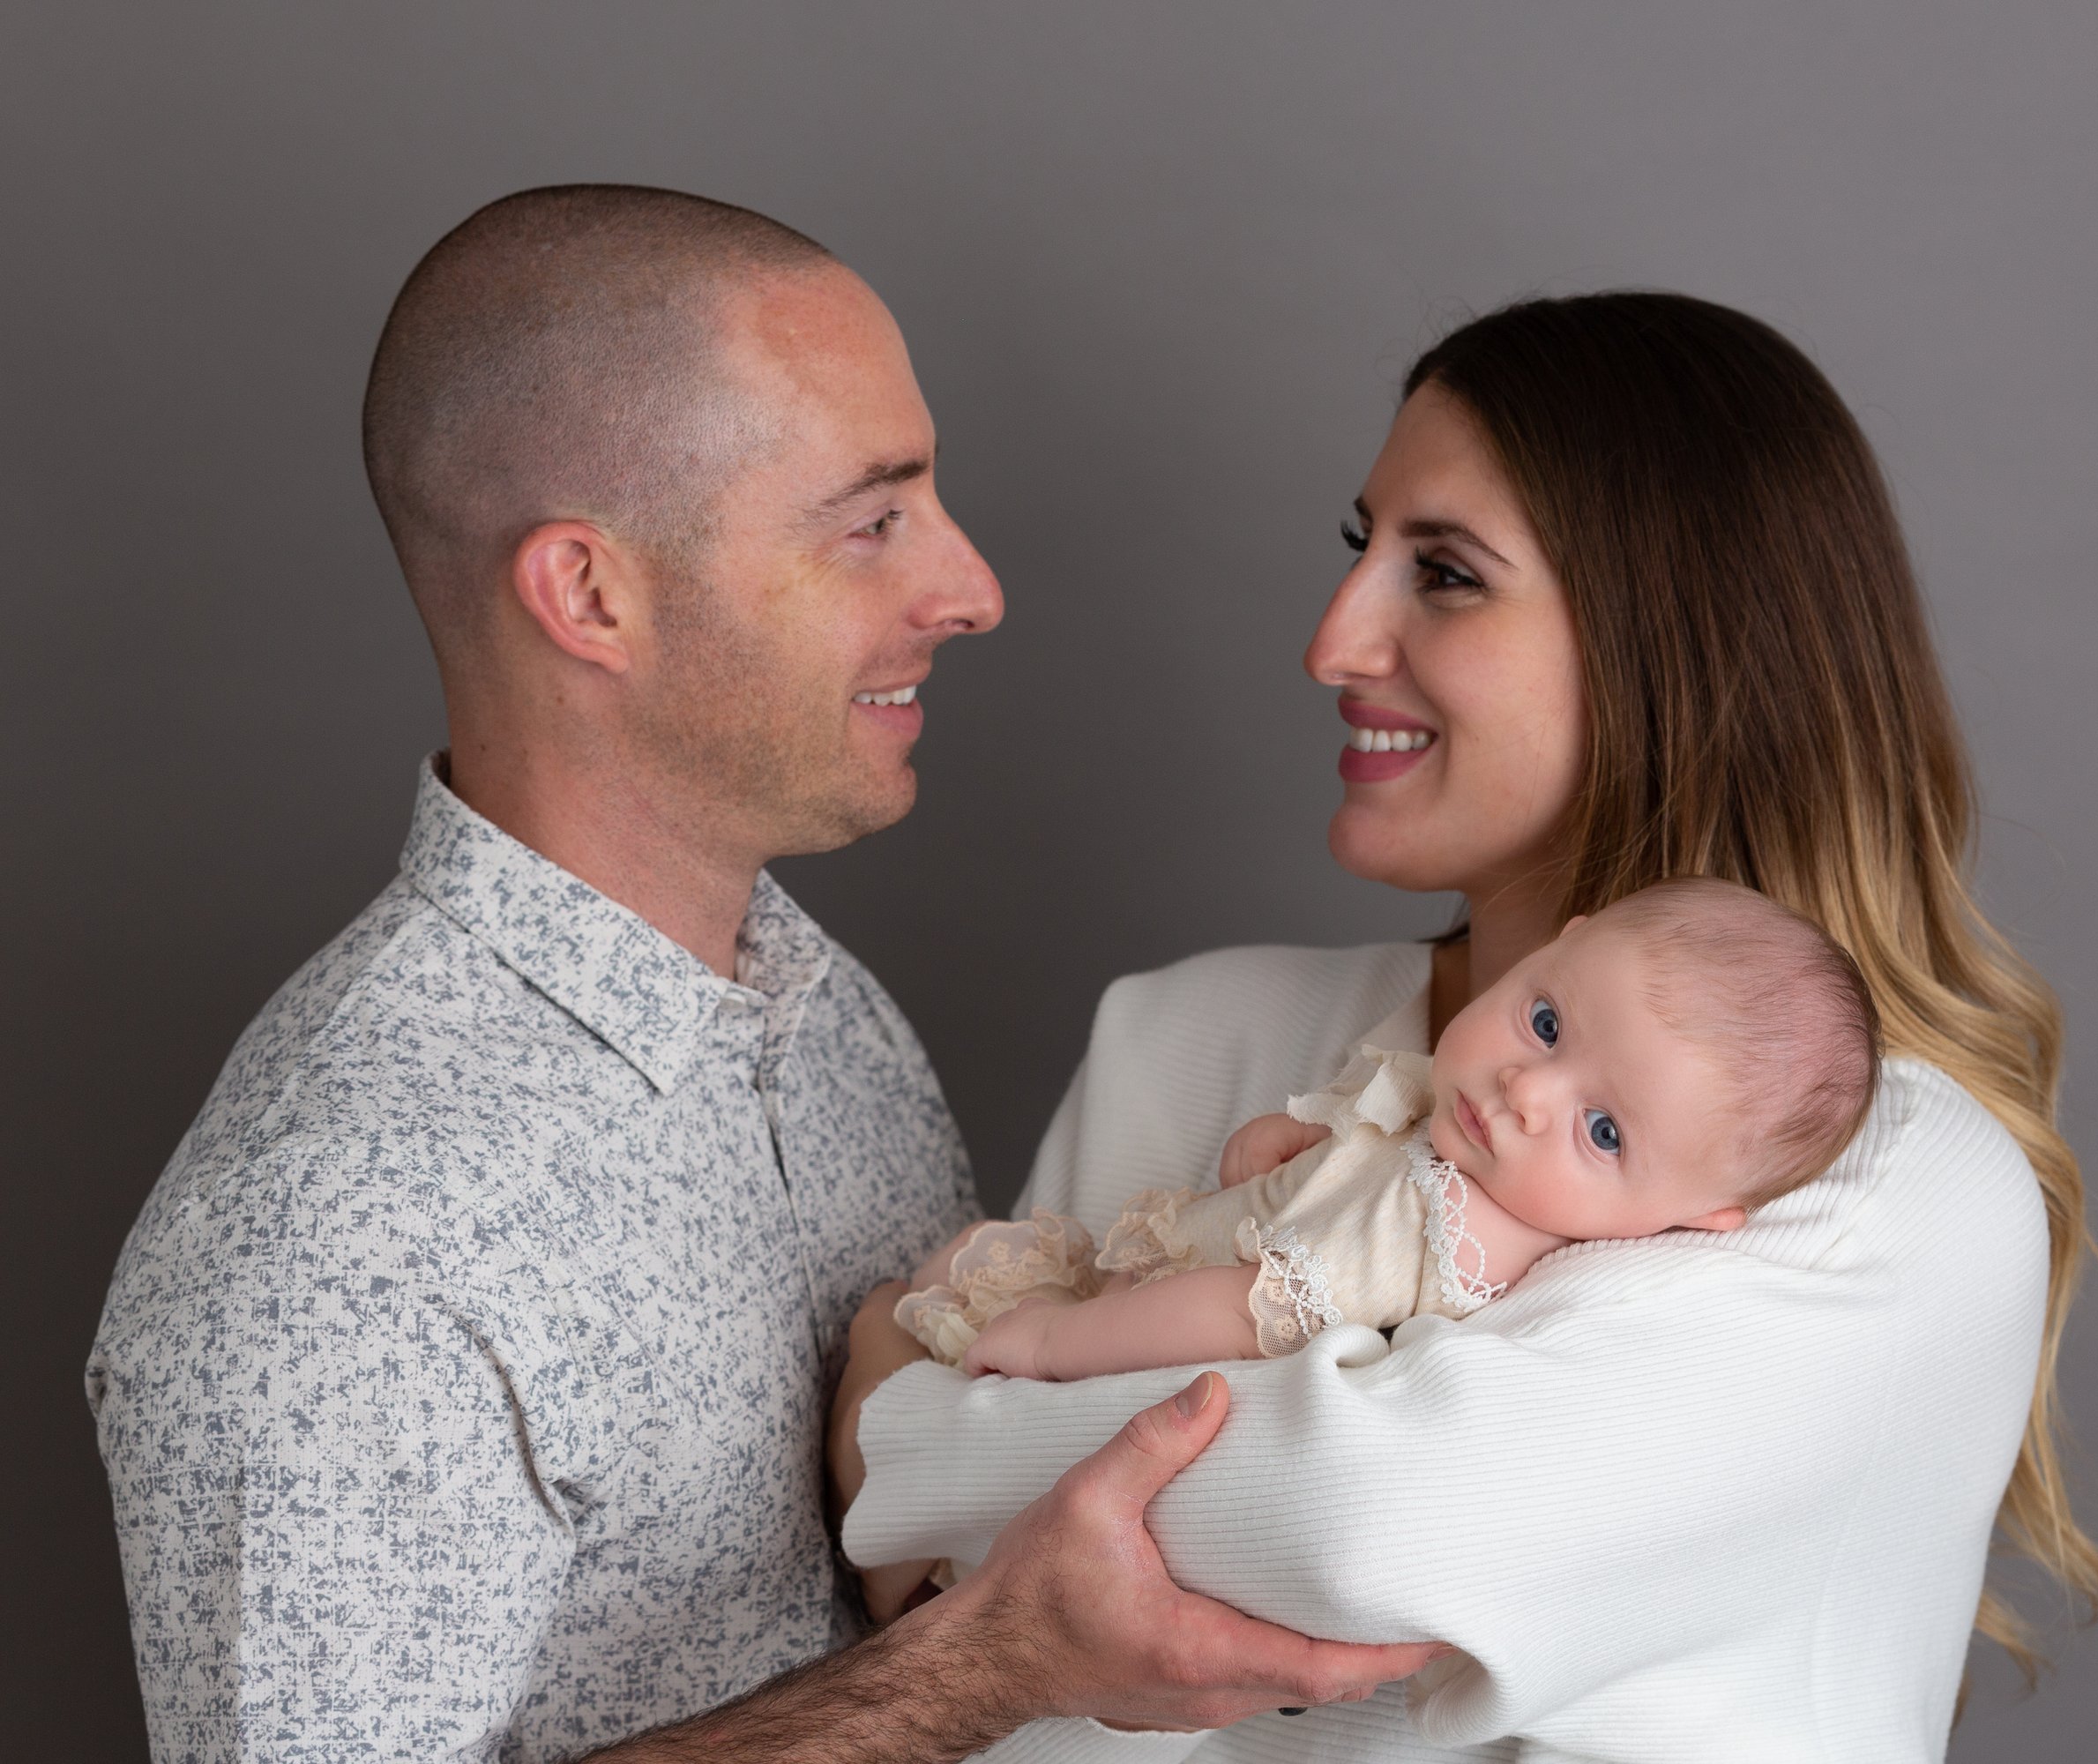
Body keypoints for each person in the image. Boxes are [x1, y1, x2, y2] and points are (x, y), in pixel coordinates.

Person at [83, 185, 1438, 1764]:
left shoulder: (830, 1017)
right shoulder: (339, 1235)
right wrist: (982, 1669)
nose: (972, 587)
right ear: (589, 594)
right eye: (872, 522)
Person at [837, 292, 2098, 1761]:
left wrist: (895, 1417)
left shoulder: (1879, 1173)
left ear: (1682, 648)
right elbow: (973, 1663)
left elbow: (1359, 1527)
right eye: (1363, 550)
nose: (1334, 640)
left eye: (1447, 575)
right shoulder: (1187, 1031)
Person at [895, 879, 1878, 1383]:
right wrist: (1280, 1148)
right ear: (1557, 944)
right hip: (1137, 1294)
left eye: (1605, 1132)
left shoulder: (1447, 1229)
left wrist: (1060, 1342)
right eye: (1545, 1022)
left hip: (1118, 1349)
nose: (1526, 1090)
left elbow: (1245, 1313)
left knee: (942, 1301)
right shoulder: (1466, 1130)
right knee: (927, 1279)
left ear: (1699, 1214)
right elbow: (1351, 1145)